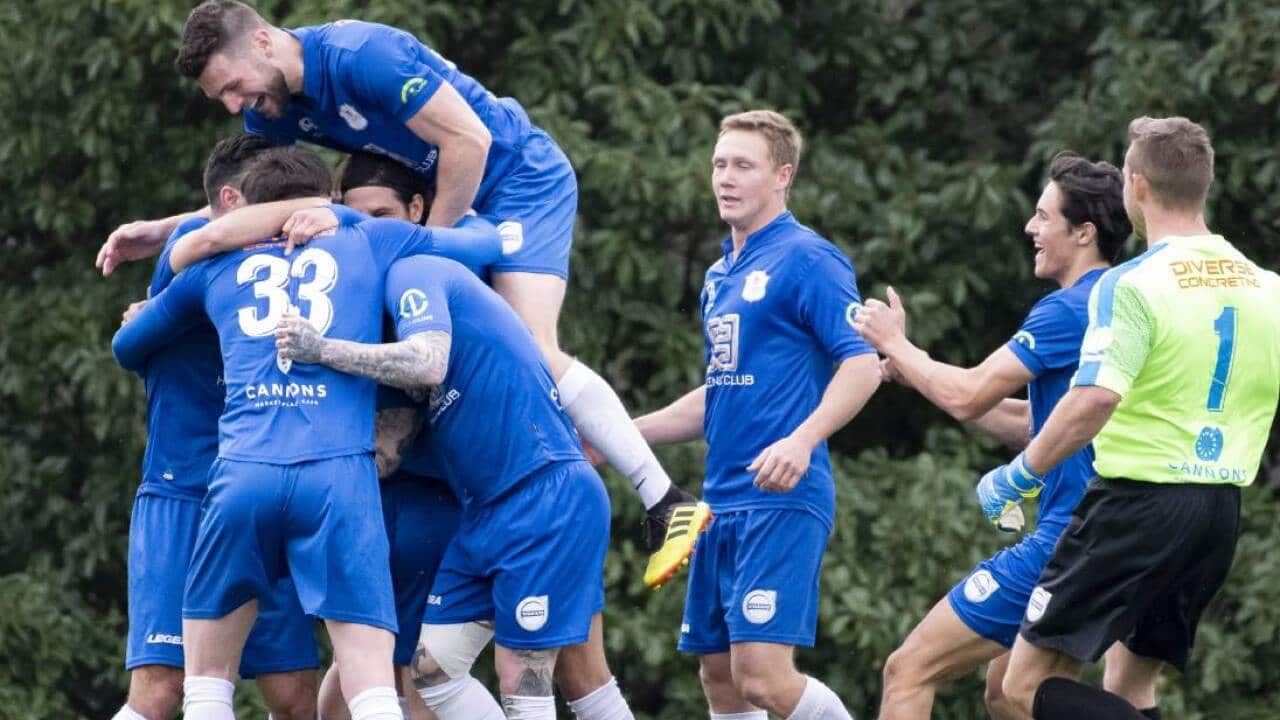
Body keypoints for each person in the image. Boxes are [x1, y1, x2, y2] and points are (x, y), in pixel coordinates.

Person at [97, 0, 707, 579]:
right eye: (222, 98)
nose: (235, 106)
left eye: (233, 86)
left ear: (261, 40)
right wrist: (170, 228)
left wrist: (421, 252)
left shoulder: (364, 54)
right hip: (440, 199)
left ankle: (666, 500)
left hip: (515, 180)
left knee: (531, 348)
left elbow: (471, 143)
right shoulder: (270, 109)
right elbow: (278, 197)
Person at [112, 145, 500, 720]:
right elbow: (488, 241)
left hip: (242, 476)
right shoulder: (370, 241)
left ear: (245, 207)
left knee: (207, 682)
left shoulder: (210, 266)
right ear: (325, 200)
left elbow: (127, 346)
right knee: (371, 679)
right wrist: (339, 215)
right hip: (336, 479)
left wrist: (148, 310)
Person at [260, 205, 615, 720]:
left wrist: (322, 349)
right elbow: (388, 449)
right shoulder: (383, 316)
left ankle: (661, 493)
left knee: (533, 677)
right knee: (432, 671)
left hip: (542, 494)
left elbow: (428, 363)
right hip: (485, 514)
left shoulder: (413, 271)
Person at [987, 117, 1280, 720]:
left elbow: (1094, 398)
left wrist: (1018, 474)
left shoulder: (1133, 283)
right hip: (1218, 512)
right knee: (1128, 685)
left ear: (1137, 185)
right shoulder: (1264, 285)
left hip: (1136, 506)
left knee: (1018, 689)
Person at [853, 154, 1145, 719]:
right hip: (1109, 536)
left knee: (908, 669)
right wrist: (915, 369)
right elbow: (1033, 424)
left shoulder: (1065, 310)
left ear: (1083, 232)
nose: (1030, 229)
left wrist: (897, 343)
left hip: (1068, 539)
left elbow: (968, 393)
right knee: (1009, 693)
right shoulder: (1118, 302)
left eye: (1042, 216)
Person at [633, 110, 880, 719]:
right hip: (719, 502)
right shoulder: (719, 275)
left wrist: (801, 441)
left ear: (782, 177)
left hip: (782, 495)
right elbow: (718, 392)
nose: (726, 177)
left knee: (763, 679)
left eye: (744, 165)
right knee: (719, 677)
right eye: (719, 164)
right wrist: (620, 435)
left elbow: (863, 365)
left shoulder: (808, 258)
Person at [114, 133, 321, 720]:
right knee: (161, 691)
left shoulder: (300, 265)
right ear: (233, 202)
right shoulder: (194, 250)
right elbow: (127, 346)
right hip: (185, 494)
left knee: (294, 693)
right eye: (274, 203)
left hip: (264, 496)